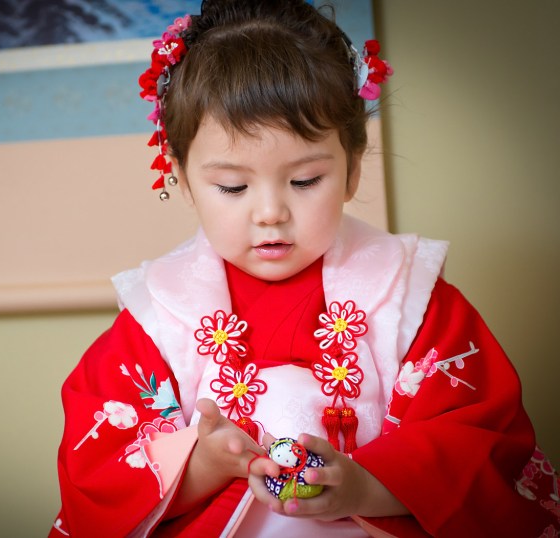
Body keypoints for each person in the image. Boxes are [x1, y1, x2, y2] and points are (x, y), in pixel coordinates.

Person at [49, 1, 559, 536]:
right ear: (182, 176)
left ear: (352, 168)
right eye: (233, 187)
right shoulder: (159, 312)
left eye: (305, 180)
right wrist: (202, 465)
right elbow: (97, 465)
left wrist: (366, 485)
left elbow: (478, 438)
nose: (270, 212)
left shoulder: (408, 295)